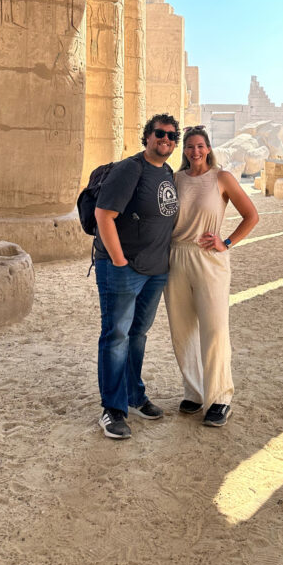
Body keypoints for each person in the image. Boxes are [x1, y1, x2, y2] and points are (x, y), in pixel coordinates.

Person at [165, 125, 259, 427]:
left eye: (200, 146)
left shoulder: (222, 178)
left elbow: (251, 216)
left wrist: (226, 242)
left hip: (209, 259)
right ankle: (194, 392)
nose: (195, 151)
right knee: (182, 330)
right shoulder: (175, 179)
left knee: (215, 328)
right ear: (184, 150)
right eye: (190, 146)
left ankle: (219, 399)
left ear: (208, 148)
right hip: (176, 257)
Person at [94, 114, 180, 439]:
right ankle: (112, 409)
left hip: (155, 270)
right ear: (147, 136)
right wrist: (119, 261)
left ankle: (133, 395)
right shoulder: (130, 169)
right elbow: (104, 215)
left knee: (137, 334)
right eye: (159, 133)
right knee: (116, 335)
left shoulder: (167, 172)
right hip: (123, 267)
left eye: (171, 136)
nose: (165, 139)